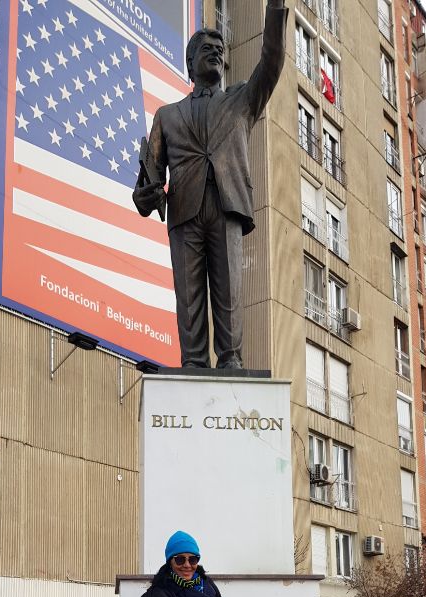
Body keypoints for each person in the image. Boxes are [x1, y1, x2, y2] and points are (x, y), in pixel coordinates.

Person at [132, 1, 288, 370]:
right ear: (190, 63)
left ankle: (231, 358)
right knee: (188, 295)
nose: (216, 53)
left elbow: (271, 61)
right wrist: (143, 196)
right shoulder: (166, 116)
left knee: (229, 288)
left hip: (227, 206)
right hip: (184, 210)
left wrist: (276, 6)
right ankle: (194, 361)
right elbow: (147, 181)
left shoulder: (242, 100)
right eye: (207, 49)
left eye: (220, 50)